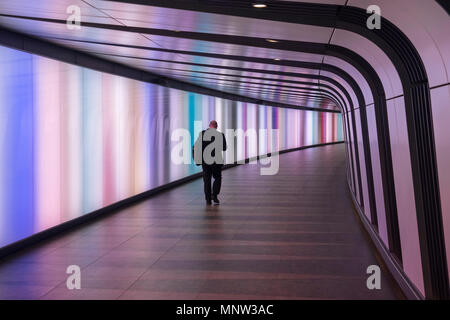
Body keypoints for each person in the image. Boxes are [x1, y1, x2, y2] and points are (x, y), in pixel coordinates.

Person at [192, 120, 227, 205]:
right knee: (218, 178)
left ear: (209, 125)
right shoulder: (220, 135)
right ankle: (214, 195)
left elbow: (196, 147)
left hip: (205, 161)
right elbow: (224, 148)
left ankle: (208, 199)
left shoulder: (202, 134)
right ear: (216, 127)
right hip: (216, 161)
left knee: (207, 180)